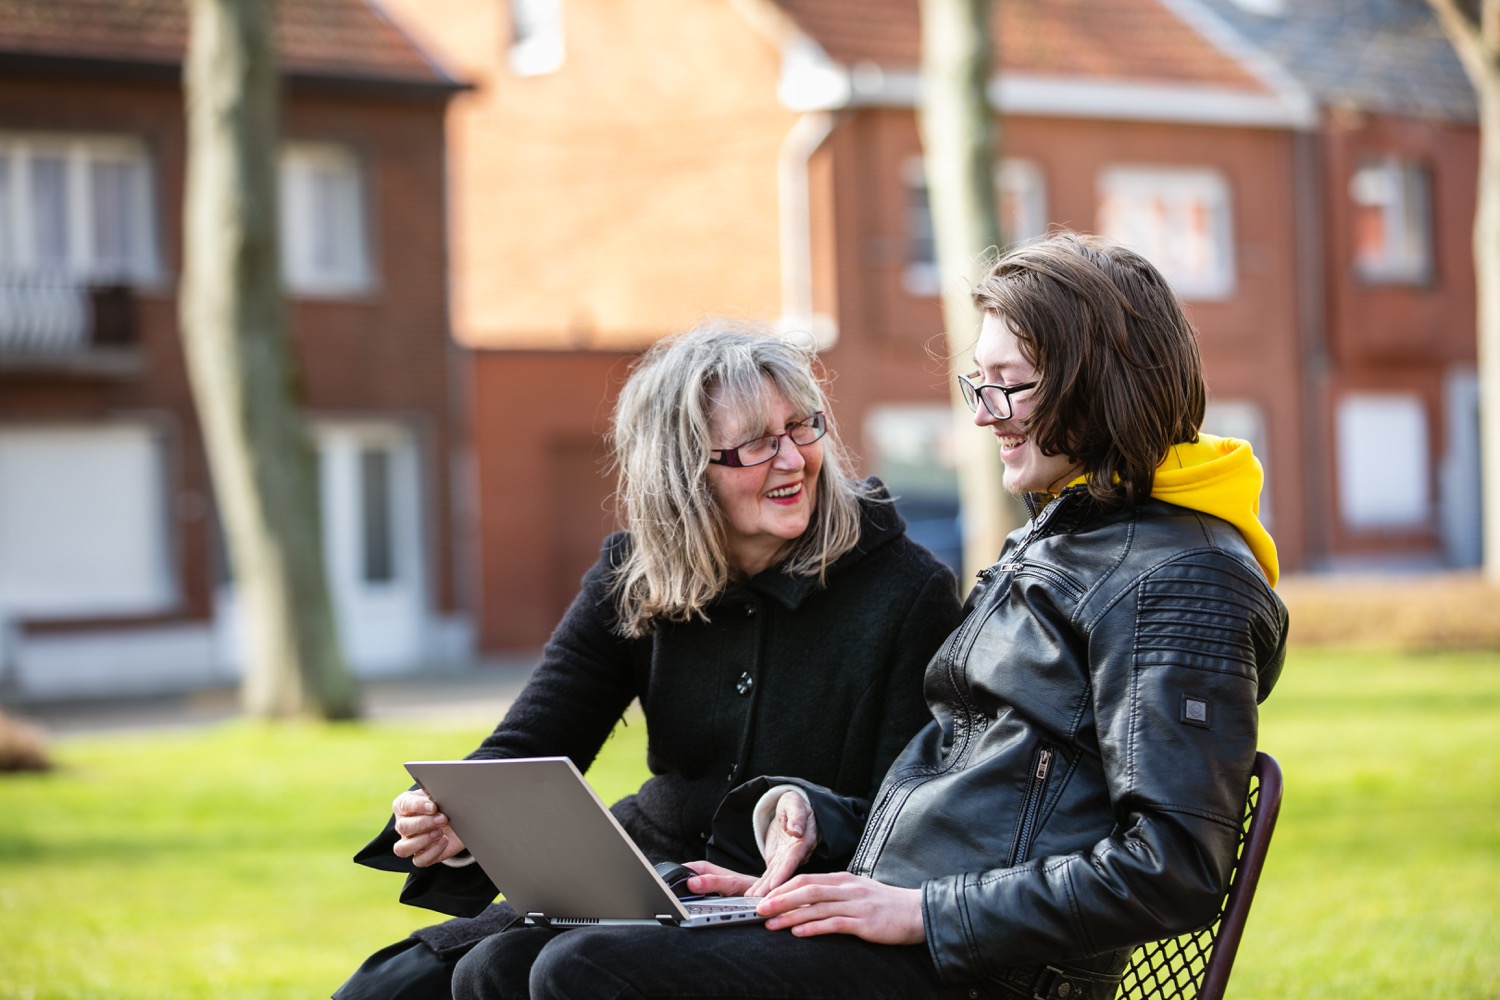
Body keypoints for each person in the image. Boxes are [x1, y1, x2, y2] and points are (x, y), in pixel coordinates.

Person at [454, 232, 1289, 1000]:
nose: (983, 412)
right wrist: (820, 822)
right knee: (498, 965)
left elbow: (1174, 869)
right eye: (980, 384)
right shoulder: (1071, 537)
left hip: (983, 972)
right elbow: (978, 797)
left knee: (586, 971)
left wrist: (921, 911)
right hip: (909, 935)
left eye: (1010, 386)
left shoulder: (1183, 582)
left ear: (1103, 384)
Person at [334, 321, 964, 1000]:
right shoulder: (634, 575)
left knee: (516, 973)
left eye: (800, 427)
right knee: (387, 990)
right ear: (684, 470)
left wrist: (808, 822)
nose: (792, 460)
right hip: (633, 874)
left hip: (782, 898)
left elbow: (913, 812)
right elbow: (533, 740)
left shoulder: (907, 590)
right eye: (755, 443)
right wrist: (455, 818)